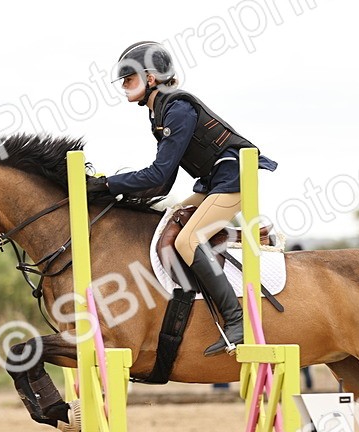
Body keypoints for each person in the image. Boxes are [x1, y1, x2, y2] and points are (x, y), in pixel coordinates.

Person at [87, 40, 277, 356]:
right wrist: (111, 192)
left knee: (187, 242)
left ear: (150, 79)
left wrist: (108, 184)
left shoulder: (177, 108)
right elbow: (162, 185)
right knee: (169, 218)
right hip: (212, 183)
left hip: (232, 178)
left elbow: (157, 175)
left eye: (129, 78)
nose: (123, 86)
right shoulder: (160, 113)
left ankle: (236, 320)